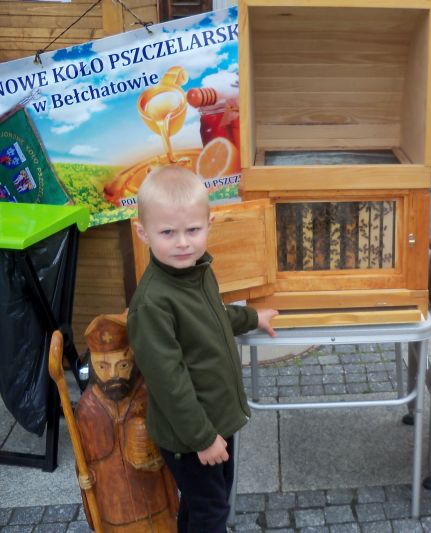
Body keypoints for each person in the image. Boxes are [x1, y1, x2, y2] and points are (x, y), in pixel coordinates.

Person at [128, 165, 278, 533]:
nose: (183, 243)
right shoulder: (153, 303)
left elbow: (215, 316)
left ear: (209, 224)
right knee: (212, 510)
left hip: (216, 421)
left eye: (193, 230)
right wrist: (203, 439)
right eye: (168, 233)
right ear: (143, 233)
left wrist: (252, 317)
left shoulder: (197, 270)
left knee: (206, 504)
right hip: (192, 434)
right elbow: (169, 383)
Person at [75, 312, 179, 532]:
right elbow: (85, 457)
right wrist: (85, 478)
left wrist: (157, 452)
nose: (113, 375)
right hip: (113, 507)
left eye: (122, 365)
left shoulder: (148, 395)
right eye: (103, 367)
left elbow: (171, 444)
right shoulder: (87, 408)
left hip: (154, 503)